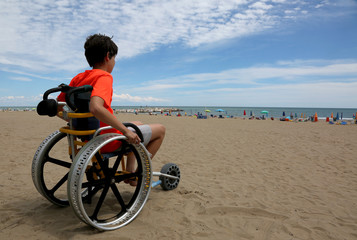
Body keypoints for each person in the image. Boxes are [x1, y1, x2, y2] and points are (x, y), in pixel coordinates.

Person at [57, 34, 165, 185]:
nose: (114, 62)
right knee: (160, 130)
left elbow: (59, 106)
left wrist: (76, 121)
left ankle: (130, 172)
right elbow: (96, 107)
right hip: (107, 140)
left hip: (88, 138)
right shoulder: (104, 77)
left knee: (137, 123)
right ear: (108, 56)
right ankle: (139, 173)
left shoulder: (79, 78)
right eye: (114, 58)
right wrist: (126, 132)